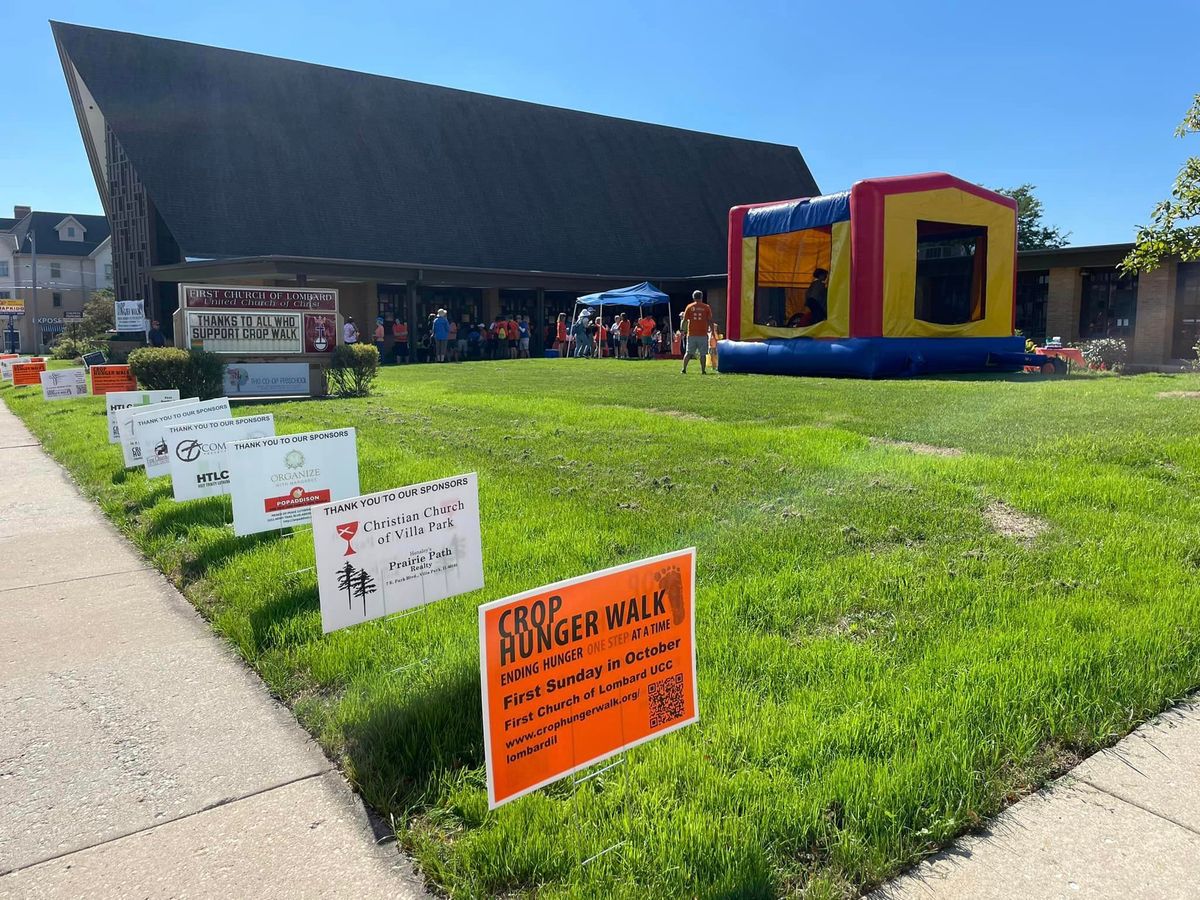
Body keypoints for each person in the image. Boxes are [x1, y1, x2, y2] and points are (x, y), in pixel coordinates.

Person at [681, 290, 715, 374]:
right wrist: (713, 332)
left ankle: (684, 369)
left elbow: (684, 320)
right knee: (703, 354)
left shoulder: (689, 306)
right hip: (703, 334)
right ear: (701, 297)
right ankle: (703, 370)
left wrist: (682, 330)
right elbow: (710, 320)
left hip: (691, 334)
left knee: (688, 353)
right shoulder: (706, 307)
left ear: (693, 297)